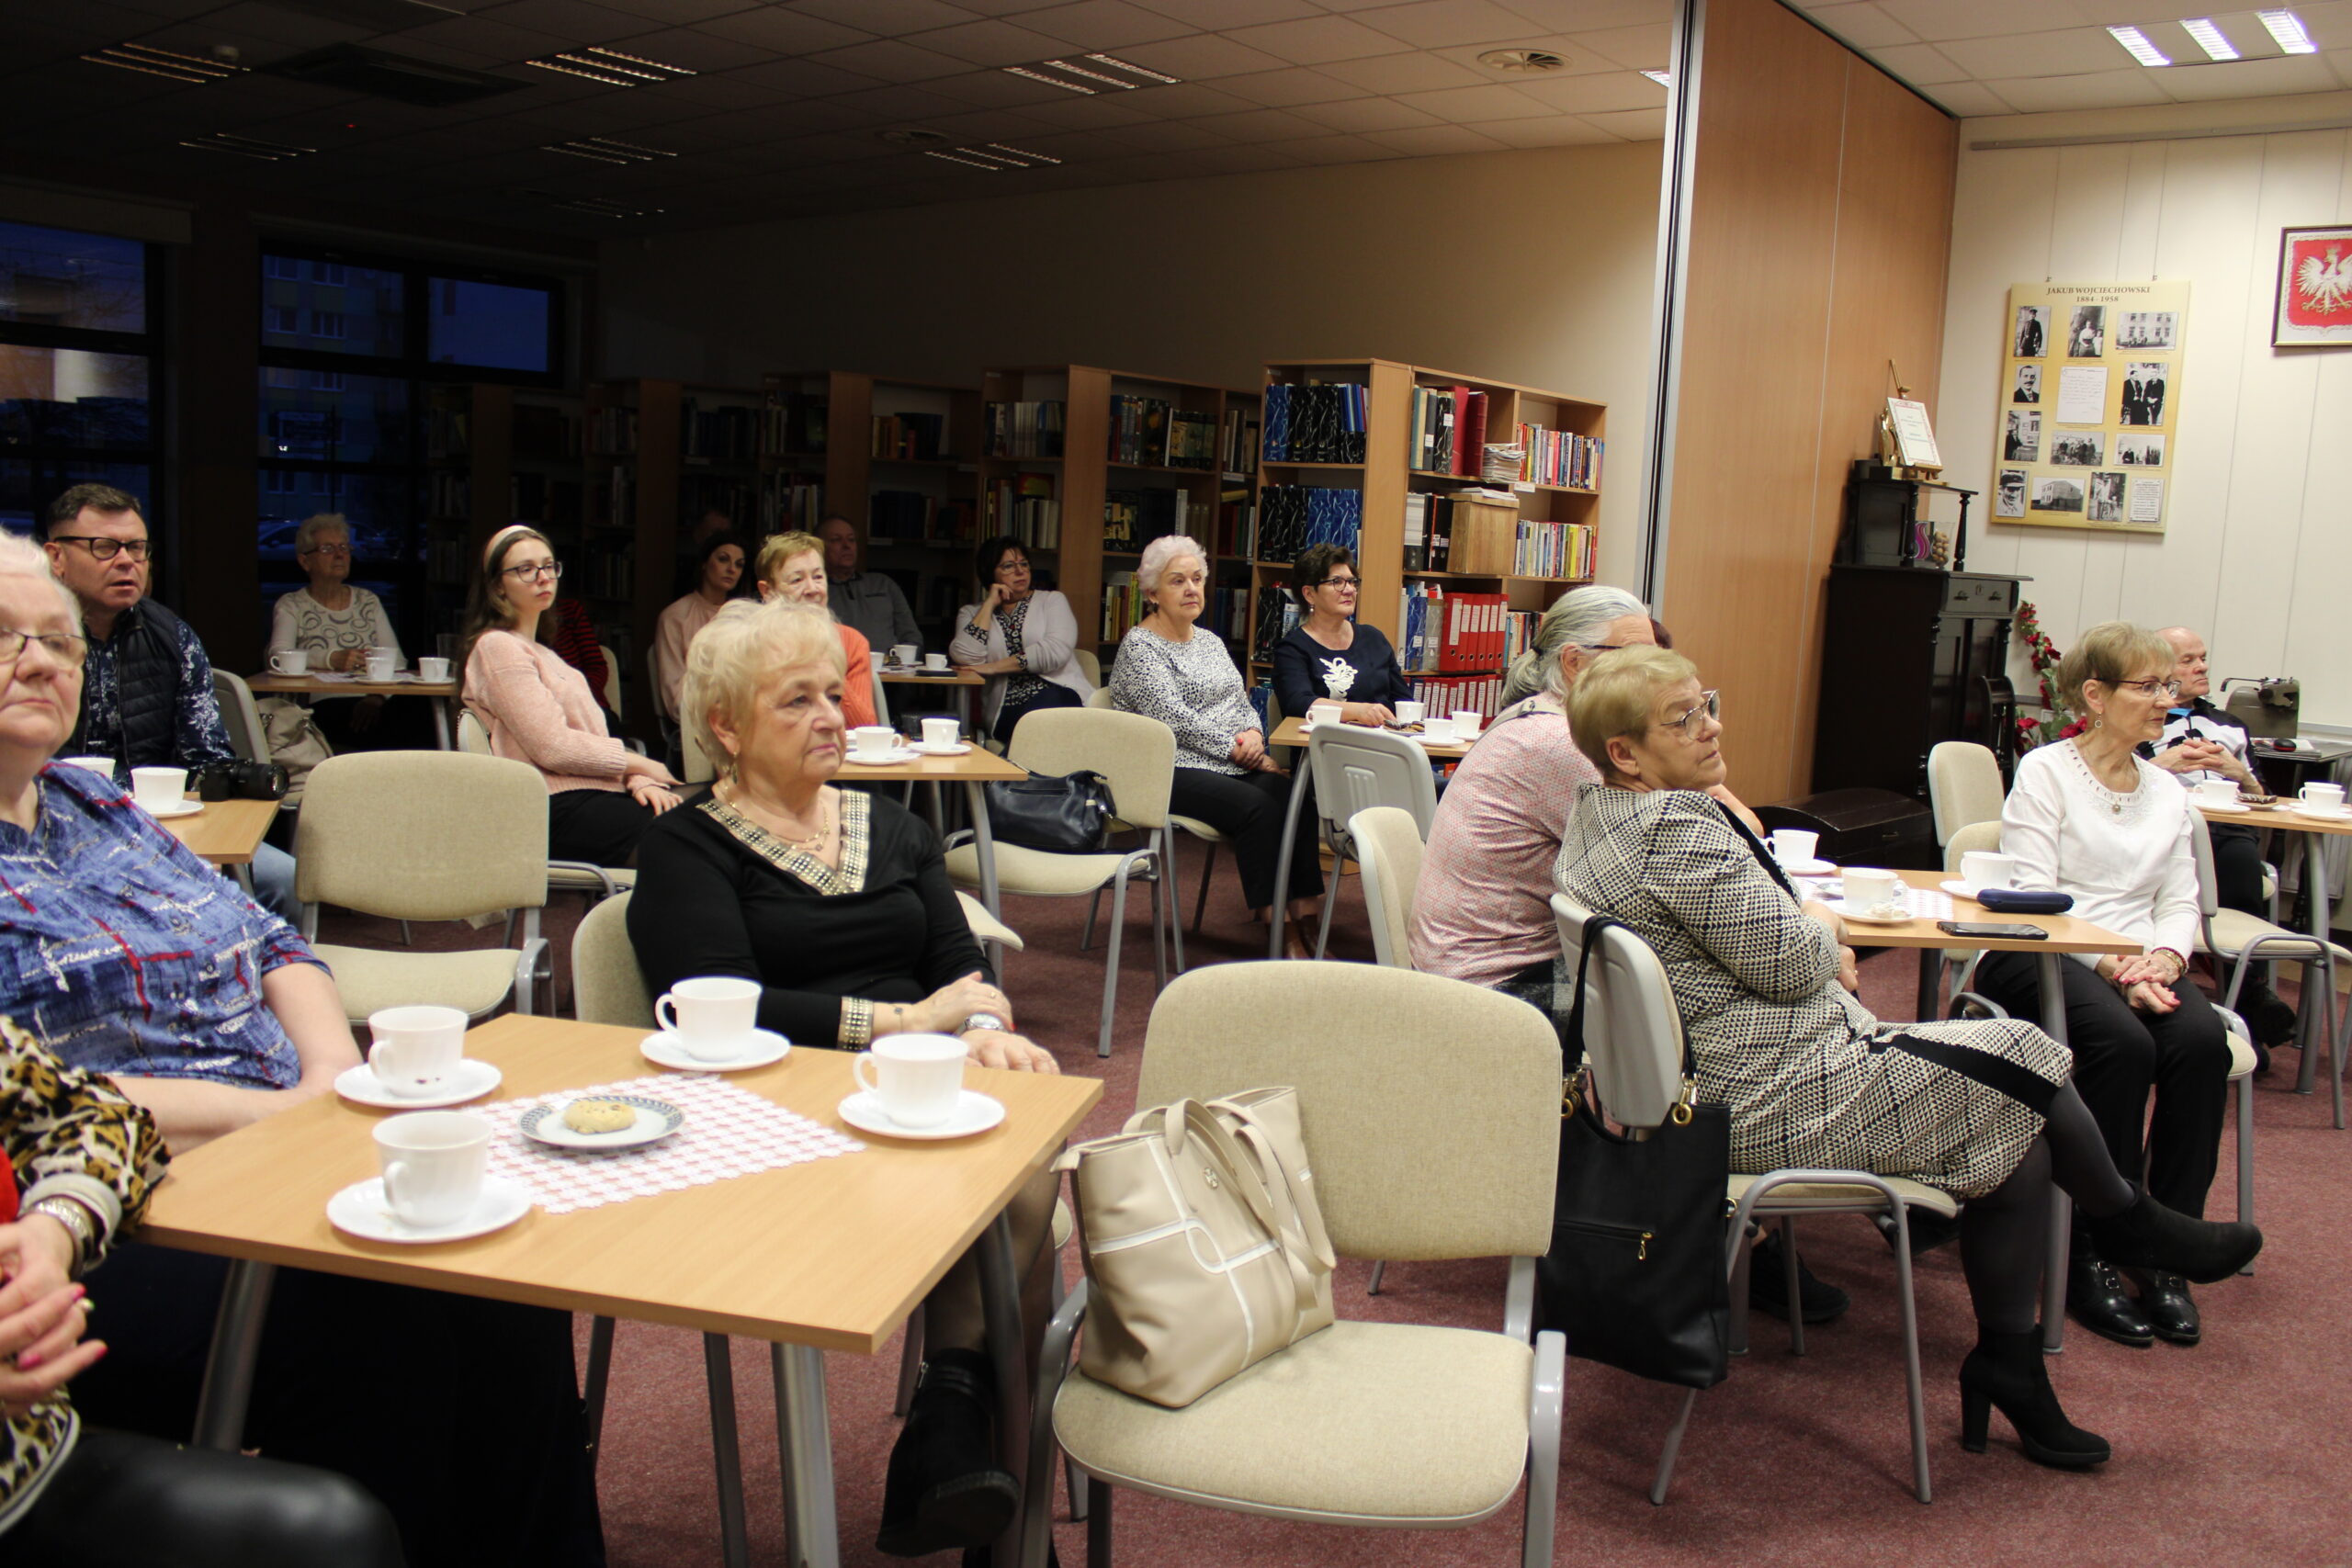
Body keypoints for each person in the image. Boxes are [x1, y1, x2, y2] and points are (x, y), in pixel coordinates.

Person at [0, 528, 605, 1565]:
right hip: (133, 1202)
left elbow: (274, 939)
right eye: (7, 637)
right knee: (381, 1313)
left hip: (285, 1133)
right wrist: (279, 1117)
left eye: (59, 640)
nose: (41, 660)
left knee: (500, 1275)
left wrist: (331, 1075)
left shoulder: (94, 803)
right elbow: (54, 1100)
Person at [1556, 645, 2259, 1471]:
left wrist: (1807, 930)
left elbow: (1767, 939)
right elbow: (1787, 957)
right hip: (1772, 1096)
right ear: (1626, 753)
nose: (1712, 725)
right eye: (1685, 718)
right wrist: (1823, 932)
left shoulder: (1603, 818)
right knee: (2025, 1050)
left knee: (2021, 1135)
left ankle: (2012, 1362)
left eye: (1706, 702)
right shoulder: (1671, 828)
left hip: (1735, 1078)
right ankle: (2123, 1219)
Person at [628, 597, 1059, 1561]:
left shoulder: (891, 826)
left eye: (836, 692)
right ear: (726, 728)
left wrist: (985, 1025)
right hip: (768, 1105)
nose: (833, 715)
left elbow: (962, 964)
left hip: (922, 1082)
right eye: (796, 701)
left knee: (1024, 1144)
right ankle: (992, 1500)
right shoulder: (685, 846)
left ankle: (950, 1421)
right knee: (1015, 1215)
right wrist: (907, 1024)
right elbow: (720, 1000)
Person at [0, 1015, 410, 1565]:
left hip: (29, 1455)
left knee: (336, 1531)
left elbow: (97, 1115)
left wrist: (56, 1227)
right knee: (364, 1317)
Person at [1975, 622, 2241, 1351]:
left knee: (2199, 1041)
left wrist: (2164, 959)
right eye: (2148, 686)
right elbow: (2034, 889)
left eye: (2169, 685)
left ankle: (2166, 1246)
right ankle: (2089, 1245)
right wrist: (2114, 964)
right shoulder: (2047, 772)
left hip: (2139, 963)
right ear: (2094, 695)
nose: (2166, 699)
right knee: (2121, 1045)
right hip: (2045, 951)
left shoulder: (2168, 791)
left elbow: (2178, 899)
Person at [38, 483, 300, 919]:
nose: (126, 561)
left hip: (164, 825)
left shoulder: (171, 635)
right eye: (104, 547)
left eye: (137, 549)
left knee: (285, 881)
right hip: (54, 824)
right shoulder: (26, 640)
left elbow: (207, 756)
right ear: (56, 558)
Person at [1111, 535, 1321, 952]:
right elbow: (1172, 718)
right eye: (1177, 581)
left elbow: (1238, 700)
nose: (1192, 589)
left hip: (1228, 761)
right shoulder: (1140, 646)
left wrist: (1255, 736)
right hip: (1165, 769)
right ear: (1152, 592)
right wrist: (1234, 747)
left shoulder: (1209, 641)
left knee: (1296, 794)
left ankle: (1307, 916)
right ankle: (1278, 930)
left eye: (1197, 579)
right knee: (1258, 807)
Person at [461, 525, 682, 867]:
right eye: (525, 569)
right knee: (699, 832)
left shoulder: (545, 652)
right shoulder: (497, 647)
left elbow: (598, 736)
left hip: (596, 793)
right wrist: (642, 763)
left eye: (549, 566)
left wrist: (639, 780)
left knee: (724, 812)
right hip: (550, 804)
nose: (543, 577)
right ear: (496, 587)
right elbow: (553, 747)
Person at [266, 512, 406, 748]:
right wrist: (331, 658)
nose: (340, 555)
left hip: (373, 701)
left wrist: (376, 698)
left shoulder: (368, 601)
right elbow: (278, 656)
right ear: (304, 561)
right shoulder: (292, 604)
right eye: (327, 549)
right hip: (321, 705)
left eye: (344, 547)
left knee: (412, 713)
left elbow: (397, 661)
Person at [948, 536, 1091, 746]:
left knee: (1045, 714)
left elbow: (1054, 652)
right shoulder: (971, 613)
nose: (1020, 571)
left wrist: (994, 667)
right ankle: (1018, 775)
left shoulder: (1052, 601)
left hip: (1059, 695)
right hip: (1005, 708)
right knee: (1033, 725)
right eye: (1008, 566)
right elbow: (965, 657)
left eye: (1024, 564)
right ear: (990, 573)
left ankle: (1009, 775)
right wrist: (989, 605)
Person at [1270, 542, 1410, 725]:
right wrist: (1359, 711)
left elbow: (1404, 702)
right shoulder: (1292, 648)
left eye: (1352, 582)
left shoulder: (1374, 639)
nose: (1350, 590)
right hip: (1323, 747)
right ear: (1309, 594)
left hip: (1380, 745)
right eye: (1337, 582)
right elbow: (1298, 704)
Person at [756, 530, 879, 728]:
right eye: (797, 580)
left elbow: (863, 728)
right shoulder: (749, 642)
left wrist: (824, 658)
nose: (813, 589)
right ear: (768, 592)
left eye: (818, 577)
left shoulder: (852, 641)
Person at [652, 530, 747, 733]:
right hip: (696, 720)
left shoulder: (745, 617)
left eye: (739, 564)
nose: (732, 569)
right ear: (704, 563)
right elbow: (675, 697)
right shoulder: (675, 616)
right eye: (723, 560)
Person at [822, 515, 921, 654]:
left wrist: (896, 666)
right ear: (819, 547)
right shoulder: (815, 591)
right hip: (837, 671)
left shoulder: (883, 584)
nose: (847, 545)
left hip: (890, 672)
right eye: (836, 540)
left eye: (851, 539)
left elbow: (912, 638)